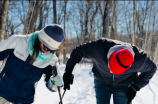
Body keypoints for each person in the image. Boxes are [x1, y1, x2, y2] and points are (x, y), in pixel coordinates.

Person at [63, 38, 157, 104]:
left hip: (123, 84)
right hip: (101, 81)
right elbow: (77, 52)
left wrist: (135, 87)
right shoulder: (99, 47)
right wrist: (68, 71)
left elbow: (151, 69)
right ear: (110, 56)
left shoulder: (140, 60)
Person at [0, 24, 64, 104]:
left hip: (24, 98)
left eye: (52, 50)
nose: (47, 52)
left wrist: (56, 83)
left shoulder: (51, 60)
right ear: (39, 39)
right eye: (46, 48)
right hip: (2, 90)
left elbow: (52, 85)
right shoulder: (18, 41)